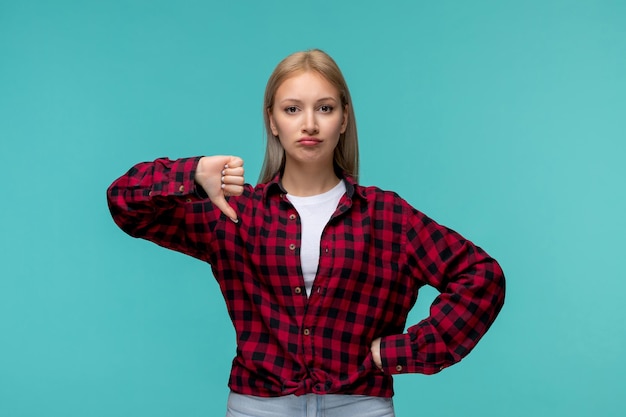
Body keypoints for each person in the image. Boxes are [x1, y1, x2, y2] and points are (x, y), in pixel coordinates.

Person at [107, 49, 505, 417]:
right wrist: (192, 174)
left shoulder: (386, 216)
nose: (309, 124)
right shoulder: (234, 211)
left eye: (325, 108)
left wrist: (403, 352)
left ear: (344, 119)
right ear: (272, 121)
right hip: (258, 407)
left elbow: (481, 277)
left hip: (359, 405)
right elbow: (124, 203)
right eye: (293, 109)